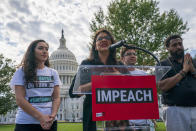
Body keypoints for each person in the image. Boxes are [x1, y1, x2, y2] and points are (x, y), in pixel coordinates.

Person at [69, 29, 121, 131]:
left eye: (107, 38)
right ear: (95, 46)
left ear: (112, 43)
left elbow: (130, 87)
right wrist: (100, 80)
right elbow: (73, 92)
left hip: (116, 113)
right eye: (99, 39)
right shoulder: (87, 64)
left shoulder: (119, 65)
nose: (103, 40)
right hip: (93, 114)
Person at [10, 40, 61, 131]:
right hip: (26, 122)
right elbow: (20, 99)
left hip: (50, 121)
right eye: (40, 48)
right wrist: (41, 117)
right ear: (32, 52)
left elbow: (56, 97)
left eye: (46, 49)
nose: (44, 51)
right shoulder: (21, 72)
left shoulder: (53, 73)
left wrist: (52, 116)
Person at [158, 35, 196, 131]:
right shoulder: (162, 64)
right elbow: (162, 86)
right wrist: (183, 72)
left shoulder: (192, 61)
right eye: (174, 45)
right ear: (167, 48)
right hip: (175, 110)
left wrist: (192, 70)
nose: (178, 47)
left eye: (180, 44)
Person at [120, 46, 156, 131]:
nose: (132, 56)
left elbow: (149, 97)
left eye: (134, 54)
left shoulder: (144, 74)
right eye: (128, 54)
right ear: (122, 59)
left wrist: (152, 116)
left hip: (143, 122)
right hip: (124, 123)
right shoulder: (117, 75)